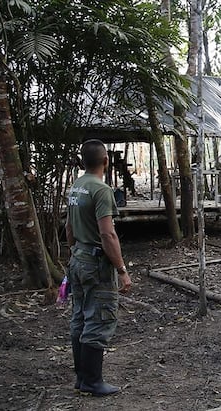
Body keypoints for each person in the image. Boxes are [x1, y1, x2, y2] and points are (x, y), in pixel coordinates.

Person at [65, 139, 132, 396]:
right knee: (99, 317)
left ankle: (82, 378)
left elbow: (69, 227)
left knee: (80, 316)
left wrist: (75, 249)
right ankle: (93, 381)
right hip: (95, 262)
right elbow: (108, 235)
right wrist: (122, 269)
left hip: (78, 257)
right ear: (106, 161)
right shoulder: (101, 189)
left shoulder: (77, 186)